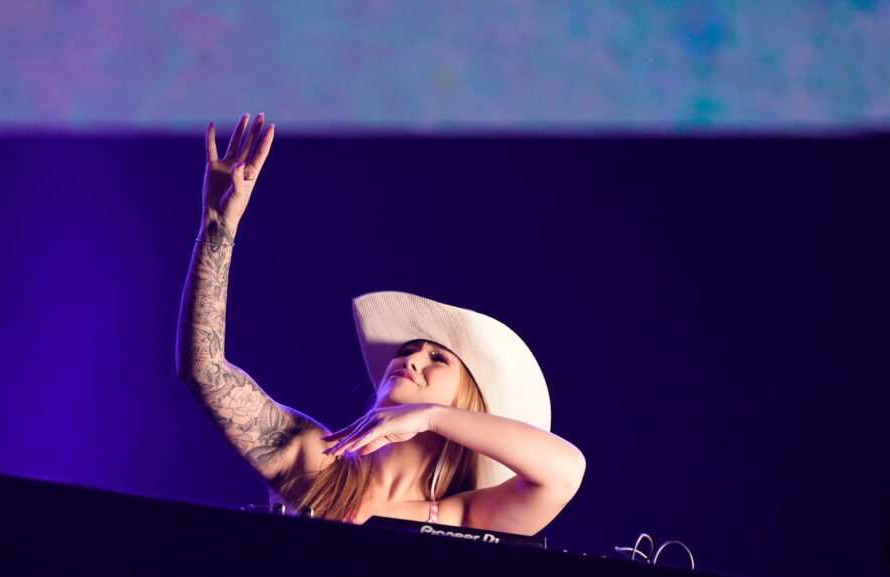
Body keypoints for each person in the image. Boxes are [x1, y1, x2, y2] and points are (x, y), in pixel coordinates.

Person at [176, 112, 586, 536]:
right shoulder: (314, 464)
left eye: (438, 358)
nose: (410, 360)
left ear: (468, 401)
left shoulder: (463, 517)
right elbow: (204, 371)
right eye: (407, 350)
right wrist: (218, 225)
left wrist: (431, 417)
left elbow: (565, 473)